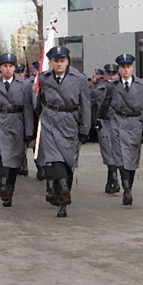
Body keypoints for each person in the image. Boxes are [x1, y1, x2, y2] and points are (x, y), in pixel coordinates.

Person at [36, 47, 89, 216]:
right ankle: (63, 192)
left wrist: (85, 128)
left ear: (67, 61)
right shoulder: (44, 79)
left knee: (68, 161)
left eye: (62, 60)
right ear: (50, 62)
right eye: (55, 61)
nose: (59, 64)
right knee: (54, 157)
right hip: (50, 120)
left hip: (70, 121)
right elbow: (38, 102)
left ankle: (65, 193)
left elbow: (85, 105)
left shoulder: (79, 79)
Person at [98, 53, 143, 207]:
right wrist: (100, 122)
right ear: (119, 69)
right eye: (123, 67)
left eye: (128, 66)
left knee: (132, 159)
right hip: (117, 122)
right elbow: (105, 105)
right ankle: (126, 189)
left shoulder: (142, 86)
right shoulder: (112, 86)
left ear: (132, 68)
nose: (126, 70)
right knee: (120, 157)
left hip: (135, 123)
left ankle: (129, 185)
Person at [0, 53, 35, 208]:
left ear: (14, 68)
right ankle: (0, 182)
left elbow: (28, 109)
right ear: (0, 68)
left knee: (14, 160)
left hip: (16, 122)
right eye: (4, 66)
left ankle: (9, 190)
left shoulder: (24, 85)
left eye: (10, 66)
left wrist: (29, 131)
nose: (7, 69)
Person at [94, 64, 119, 193]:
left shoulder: (122, 88)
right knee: (108, 151)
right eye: (109, 74)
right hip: (104, 123)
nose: (111, 77)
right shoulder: (98, 90)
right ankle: (113, 178)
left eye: (113, 74)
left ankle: (112, 180)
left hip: (119, 123)